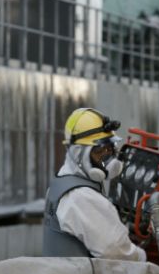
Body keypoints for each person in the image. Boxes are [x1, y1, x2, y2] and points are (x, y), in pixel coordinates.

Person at [43, 108, 146, 261]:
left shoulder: (61, 182)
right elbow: (118, 253)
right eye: (99, 152)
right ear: (78, 153)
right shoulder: (81, 196)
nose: (107, 159)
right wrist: (144, 256)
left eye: (110, 150)